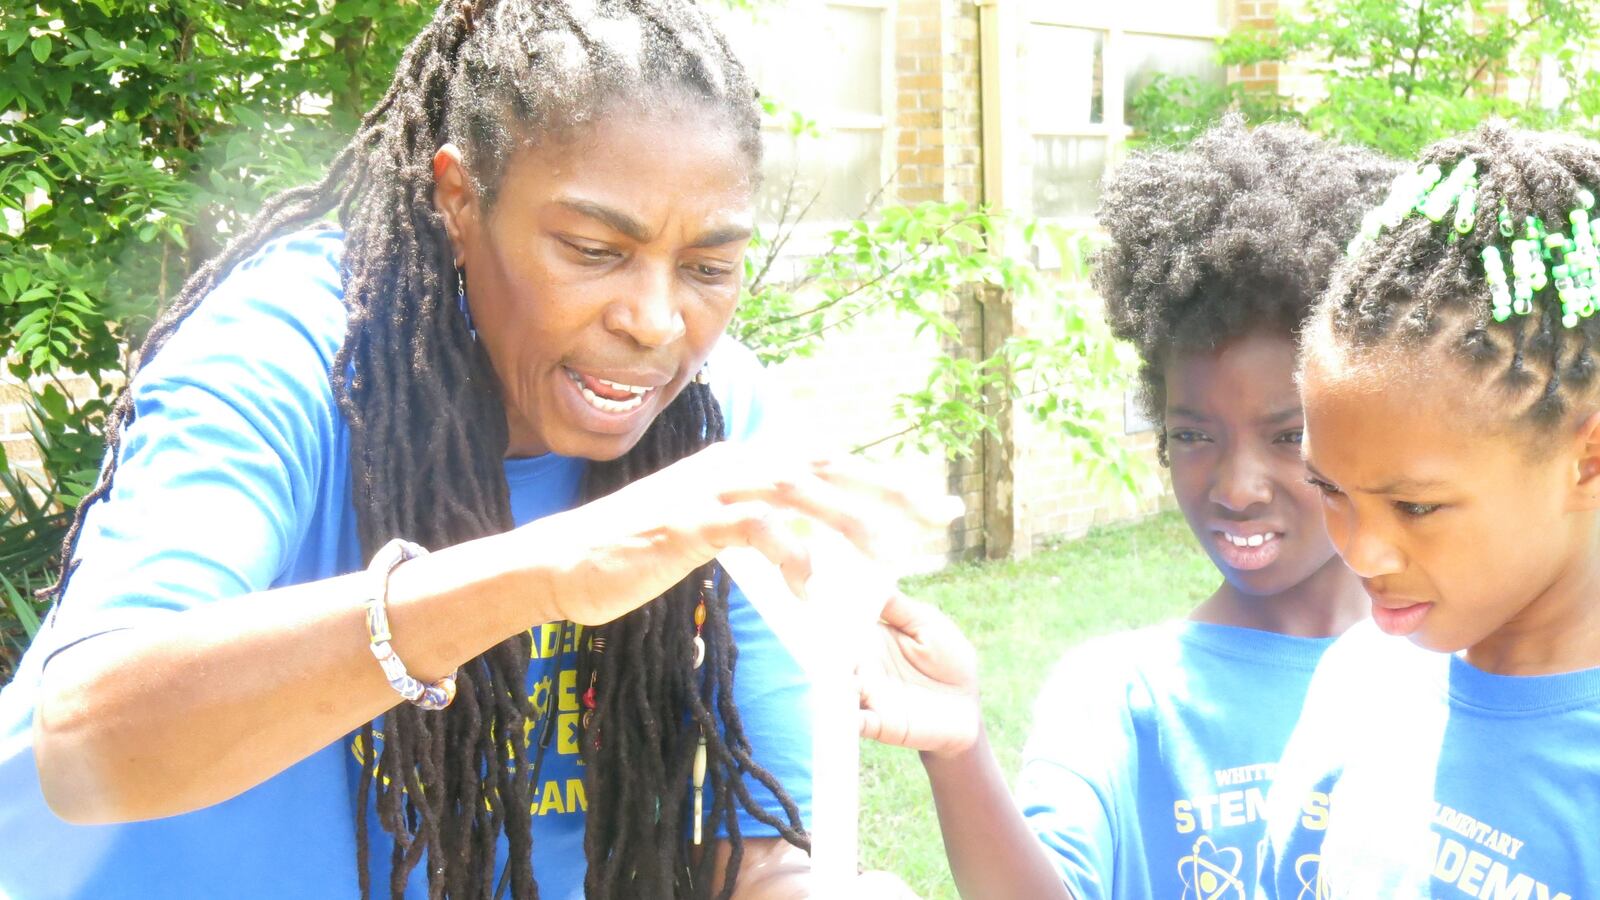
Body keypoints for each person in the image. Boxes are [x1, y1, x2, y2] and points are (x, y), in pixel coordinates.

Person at [0, 1, 933, 897]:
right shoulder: (286, 354)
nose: (655, 322)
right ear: (458, 198)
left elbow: (755, 854)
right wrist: (551, 571)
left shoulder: (715, 424)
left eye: (708, 268)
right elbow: (84, 747)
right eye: (593, 249)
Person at [854, 120, 1397, 898]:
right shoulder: (1122, 695)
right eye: (1193, 433)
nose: (1237, 486)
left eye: (1288, 436)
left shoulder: (1455, 671)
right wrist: (960, 750)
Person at [1258, 123, 1600, 898]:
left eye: (1415, 506)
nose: (1361, 552)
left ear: (1588, 460)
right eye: (1330, 489)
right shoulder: (1360, 675)